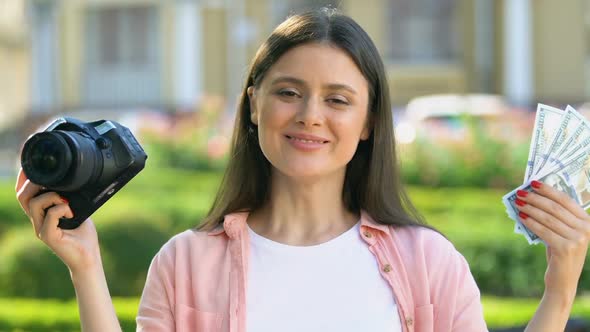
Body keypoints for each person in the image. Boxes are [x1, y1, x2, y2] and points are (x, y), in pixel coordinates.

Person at [15, 8, 590, 332]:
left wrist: (559, 288)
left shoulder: (429, 264)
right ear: (254, 106)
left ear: (368, 122)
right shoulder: (186, 263)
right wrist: (86, 268)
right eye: (289, 92)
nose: (310, 116)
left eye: (338, 99)